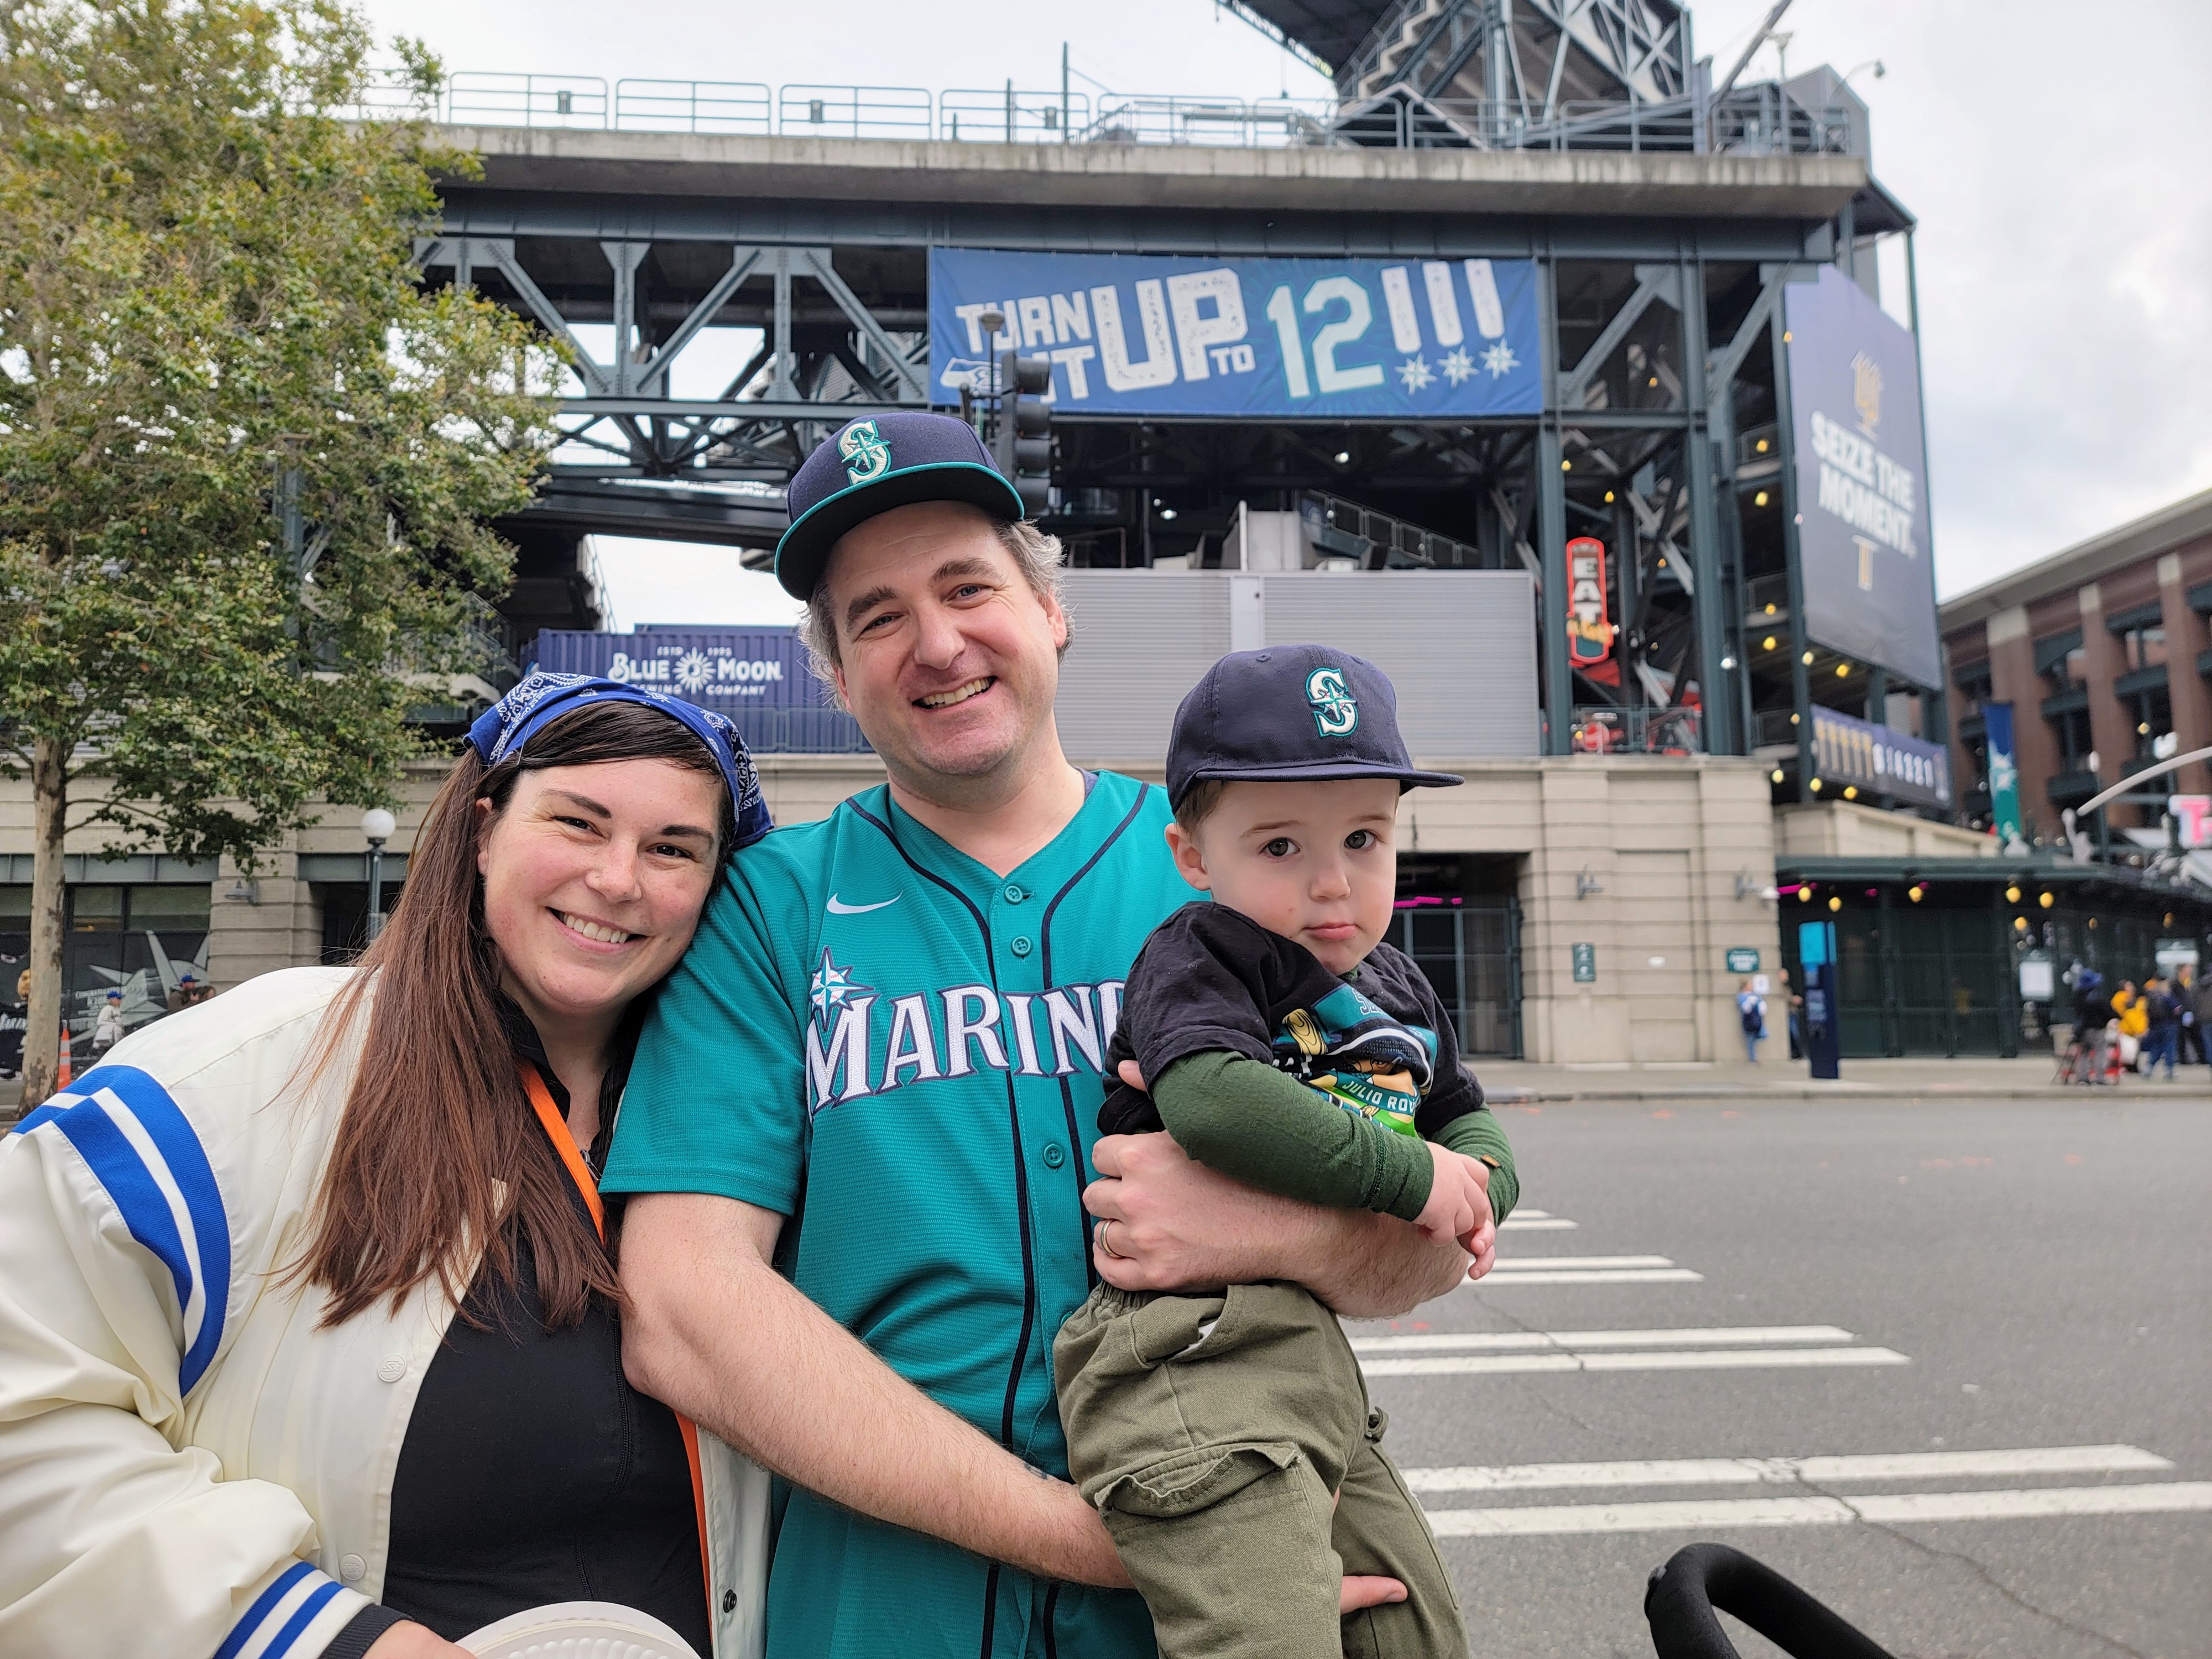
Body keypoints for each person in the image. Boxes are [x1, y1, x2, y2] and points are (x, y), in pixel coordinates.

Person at [603, 413, 1481, 1658]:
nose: (936, 643)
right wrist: (1092, 1539)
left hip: (1212, 1593)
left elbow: (1435, 1240)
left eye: (968, 587)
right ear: (838, 677)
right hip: (882, 1612)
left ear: (1052, 610)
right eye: (877, 617)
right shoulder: (768, 907)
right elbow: (684, 1307)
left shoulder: (1238, 873)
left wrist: (1275, 1234)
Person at [0, 676, 776, 1658]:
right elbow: (26, 1415)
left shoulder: (754, 1129)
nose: (619, 879)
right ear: (484, 832)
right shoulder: (245, 1077)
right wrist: (324, 1639)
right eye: (578, 823)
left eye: (673, 849)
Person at [1053, 645, 1513, 1659]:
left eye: (1363, 837)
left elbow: (1466, 1118)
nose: (1332, 881)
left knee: (1415, 1622)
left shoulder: (1396, 984)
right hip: (1182, 1353)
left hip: (1312, 1364)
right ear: (1193, 855)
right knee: (1266, 1637)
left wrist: (1485, 1190)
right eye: (1279, 846)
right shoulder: (1203, 953)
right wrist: (1413, 1177)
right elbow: (1213, 1102)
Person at [2140, 975, 2179, 1079]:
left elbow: (2147, 1011)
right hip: (2169, 1024)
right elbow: (2177, 1009)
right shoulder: (2167, 996)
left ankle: (2149, 1068)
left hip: (2155, 1026)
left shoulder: (2151, 995)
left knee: (2157, 1047)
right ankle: (2169, 1070)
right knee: (2169, 1047)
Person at [1736, 977, 1767, 1064]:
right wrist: (1749, 1003)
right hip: (1748, 1021)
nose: (1752, 986)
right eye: (1750, 984)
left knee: (1762, 1035)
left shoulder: (1756, 995)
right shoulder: (1741, 996)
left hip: (1757, 1019)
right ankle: (1753, 1059)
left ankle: (1753, 1058)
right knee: (1750, 1039)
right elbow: (1745, 1009)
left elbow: (1762, 1005)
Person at [90, 987, 126, 1056]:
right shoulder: (107, 1009)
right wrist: (114, 1024)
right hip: (106, 1040)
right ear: (112, 1000)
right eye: (118, 998)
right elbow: (100, 1022)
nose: (120, 1000)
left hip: (115, 1039)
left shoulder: (117, 1009)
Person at [1778, 964, 1803, 1058]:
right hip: (1787, 1013)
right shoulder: (1779, 987)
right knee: (1793, 1032)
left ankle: (1798, 1052)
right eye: (1785, 975)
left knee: (1795, 1032)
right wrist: (1793, 999)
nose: (1787, 977)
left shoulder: (1786, 987)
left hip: (1793, 1012)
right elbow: (1782, 998)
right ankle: (1798, 1052)